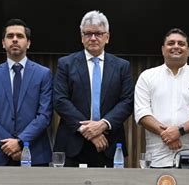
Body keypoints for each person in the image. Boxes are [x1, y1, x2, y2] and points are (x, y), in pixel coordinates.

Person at [53, 10, 134, 167]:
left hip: (109, 144)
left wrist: (103, 124)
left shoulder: (121, 66)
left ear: (107, 37)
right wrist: (87, 130)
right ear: (82, 37)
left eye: (98, 33)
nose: (93, 38)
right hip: (73, 143)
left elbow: (127, 101)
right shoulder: (66, 64)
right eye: (88, 34)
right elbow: (60, 100)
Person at [134, 28, 189, 168]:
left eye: (181, 44)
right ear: (163, 49)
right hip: (156, 157)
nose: (176, 46)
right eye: (171, 43)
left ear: (188, 50)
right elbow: (142, 114)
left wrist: (179, 131)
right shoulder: (147, 76)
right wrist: (167, 134)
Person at [0, 19, 53, 166]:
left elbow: (44, 115)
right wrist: (10, 146)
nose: (14, 39)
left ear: (28, 43)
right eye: (10, 36)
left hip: (35, 154)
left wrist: (20, 142)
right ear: (3, 43)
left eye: (20, 36)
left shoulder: (43, 74)